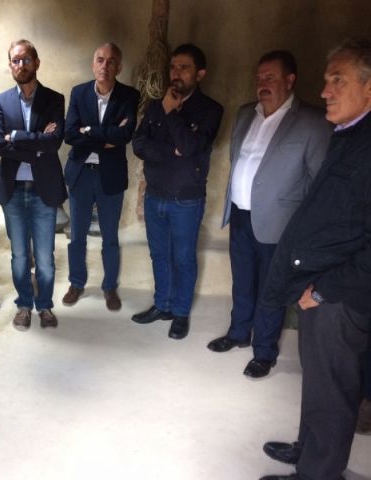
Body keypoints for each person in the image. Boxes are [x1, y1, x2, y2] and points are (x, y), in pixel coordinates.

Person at [259, 37, 371, 480]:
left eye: (338, 80)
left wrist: (323, 291)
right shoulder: (350, 135)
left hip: (339, 295)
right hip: (320, 284)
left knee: (333, 390)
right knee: (319, 381)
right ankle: (308, 452)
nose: (325, 91)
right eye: (327, 80)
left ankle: (317, 473)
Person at [207, 50, 332, 378]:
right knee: (242, 281)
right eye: (259, 77)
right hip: (240, 215)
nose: (262, 83)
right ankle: (238, 333)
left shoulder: (312, 122)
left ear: (290, 80)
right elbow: (238, 160)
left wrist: (304, 230)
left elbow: (318, 182)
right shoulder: (245, 113)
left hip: (280, 224)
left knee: (270, 289)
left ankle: (264, 351)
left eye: (270, 77)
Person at [131, 43, 223, 340]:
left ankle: (180, 313)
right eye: (173, 67)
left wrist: (172, 114)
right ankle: (163, 305)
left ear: (200, 74)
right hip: (155, 195)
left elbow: (191, 146)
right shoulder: (155, 105)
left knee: (183, 258)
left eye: (184, 67)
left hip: (186, 200)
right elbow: (138, 144)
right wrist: (172, 150)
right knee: (159, 255)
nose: (176, 73)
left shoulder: (210, 110)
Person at [0, 39, 67, 330]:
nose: (20, 65)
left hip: (42, 190)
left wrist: (16, 137)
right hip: (12, 192)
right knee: (20, 256)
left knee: (45, 258)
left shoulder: (54, 99)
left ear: (36, 62)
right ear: (10, 65)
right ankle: (24, 305)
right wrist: (36, 144)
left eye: (25, 60)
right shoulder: (1, 101)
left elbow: (54, 142)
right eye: (15, 60)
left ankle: (44, 306)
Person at [62, 42, 140, 311]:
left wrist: (88, 131)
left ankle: (109, 287)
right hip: (81, 175)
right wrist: (106, 137)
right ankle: (76, 283)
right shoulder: (79, 92)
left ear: (119, 67)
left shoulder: (129, 96)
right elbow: (69, 134)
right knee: (77, 236)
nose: (104, 65)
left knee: (110, 237)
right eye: (100, 60)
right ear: (93, 64)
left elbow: (125, 135)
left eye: (111, 61)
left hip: (111, 176)